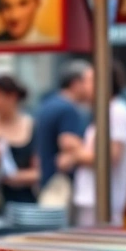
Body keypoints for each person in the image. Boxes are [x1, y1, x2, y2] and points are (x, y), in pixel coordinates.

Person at [61, 61, 126, 225]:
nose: (83, 86)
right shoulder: (108, 111)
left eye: (87, 80)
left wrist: (75, 154)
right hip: (95, 199)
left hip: (106, 201)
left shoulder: (116, 112)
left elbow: (110, 156)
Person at [0, 75, 39, 205]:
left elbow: (38, 171)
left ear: (12, 97)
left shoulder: (32, 126)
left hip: (24, 203)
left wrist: (14, 177)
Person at [33, 60, 93, 188]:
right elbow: (69, 144)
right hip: (60, 186)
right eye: (88, 81)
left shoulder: (49, 104)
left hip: (48, 182)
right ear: (76, 84)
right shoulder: (67, 109)